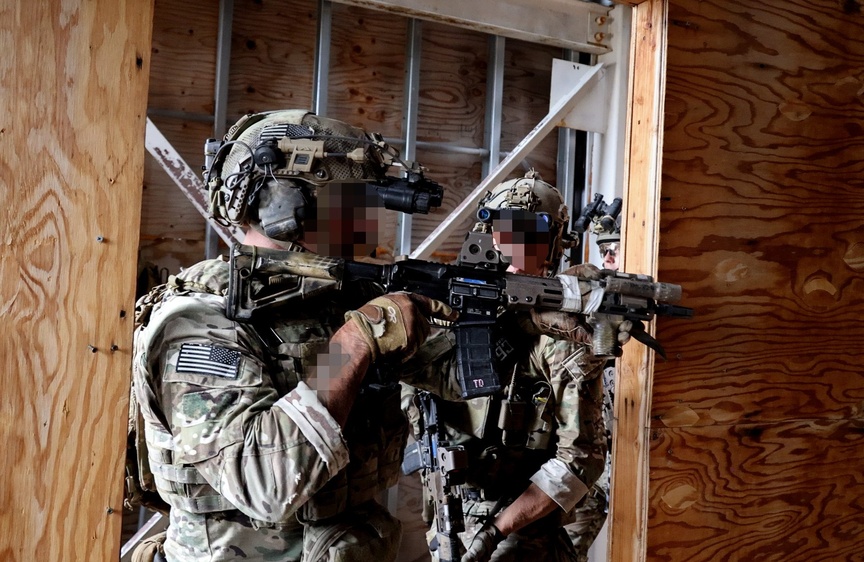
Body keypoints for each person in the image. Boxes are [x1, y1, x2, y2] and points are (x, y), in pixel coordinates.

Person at [130, 109, 455, 562]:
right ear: (284, 210)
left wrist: (518, 317)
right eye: (350, 203)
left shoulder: (335, 295)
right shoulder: (197, 324)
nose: (367, 226)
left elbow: (453, 372)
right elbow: (265, 483)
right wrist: (357, 342)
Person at [401, 171, 609, 562]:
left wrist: (495, 533)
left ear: (554, 239)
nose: (516, 243)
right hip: (451, 513)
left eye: (531, 232)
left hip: (519, 528)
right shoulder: (459, 307)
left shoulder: (562, 333)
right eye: (505, 228)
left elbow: (580, 459)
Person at [562, 200, 620, 561]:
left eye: (615, 249)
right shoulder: (590, 308)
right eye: (604, 251)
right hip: (590, 466)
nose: (609, 259)